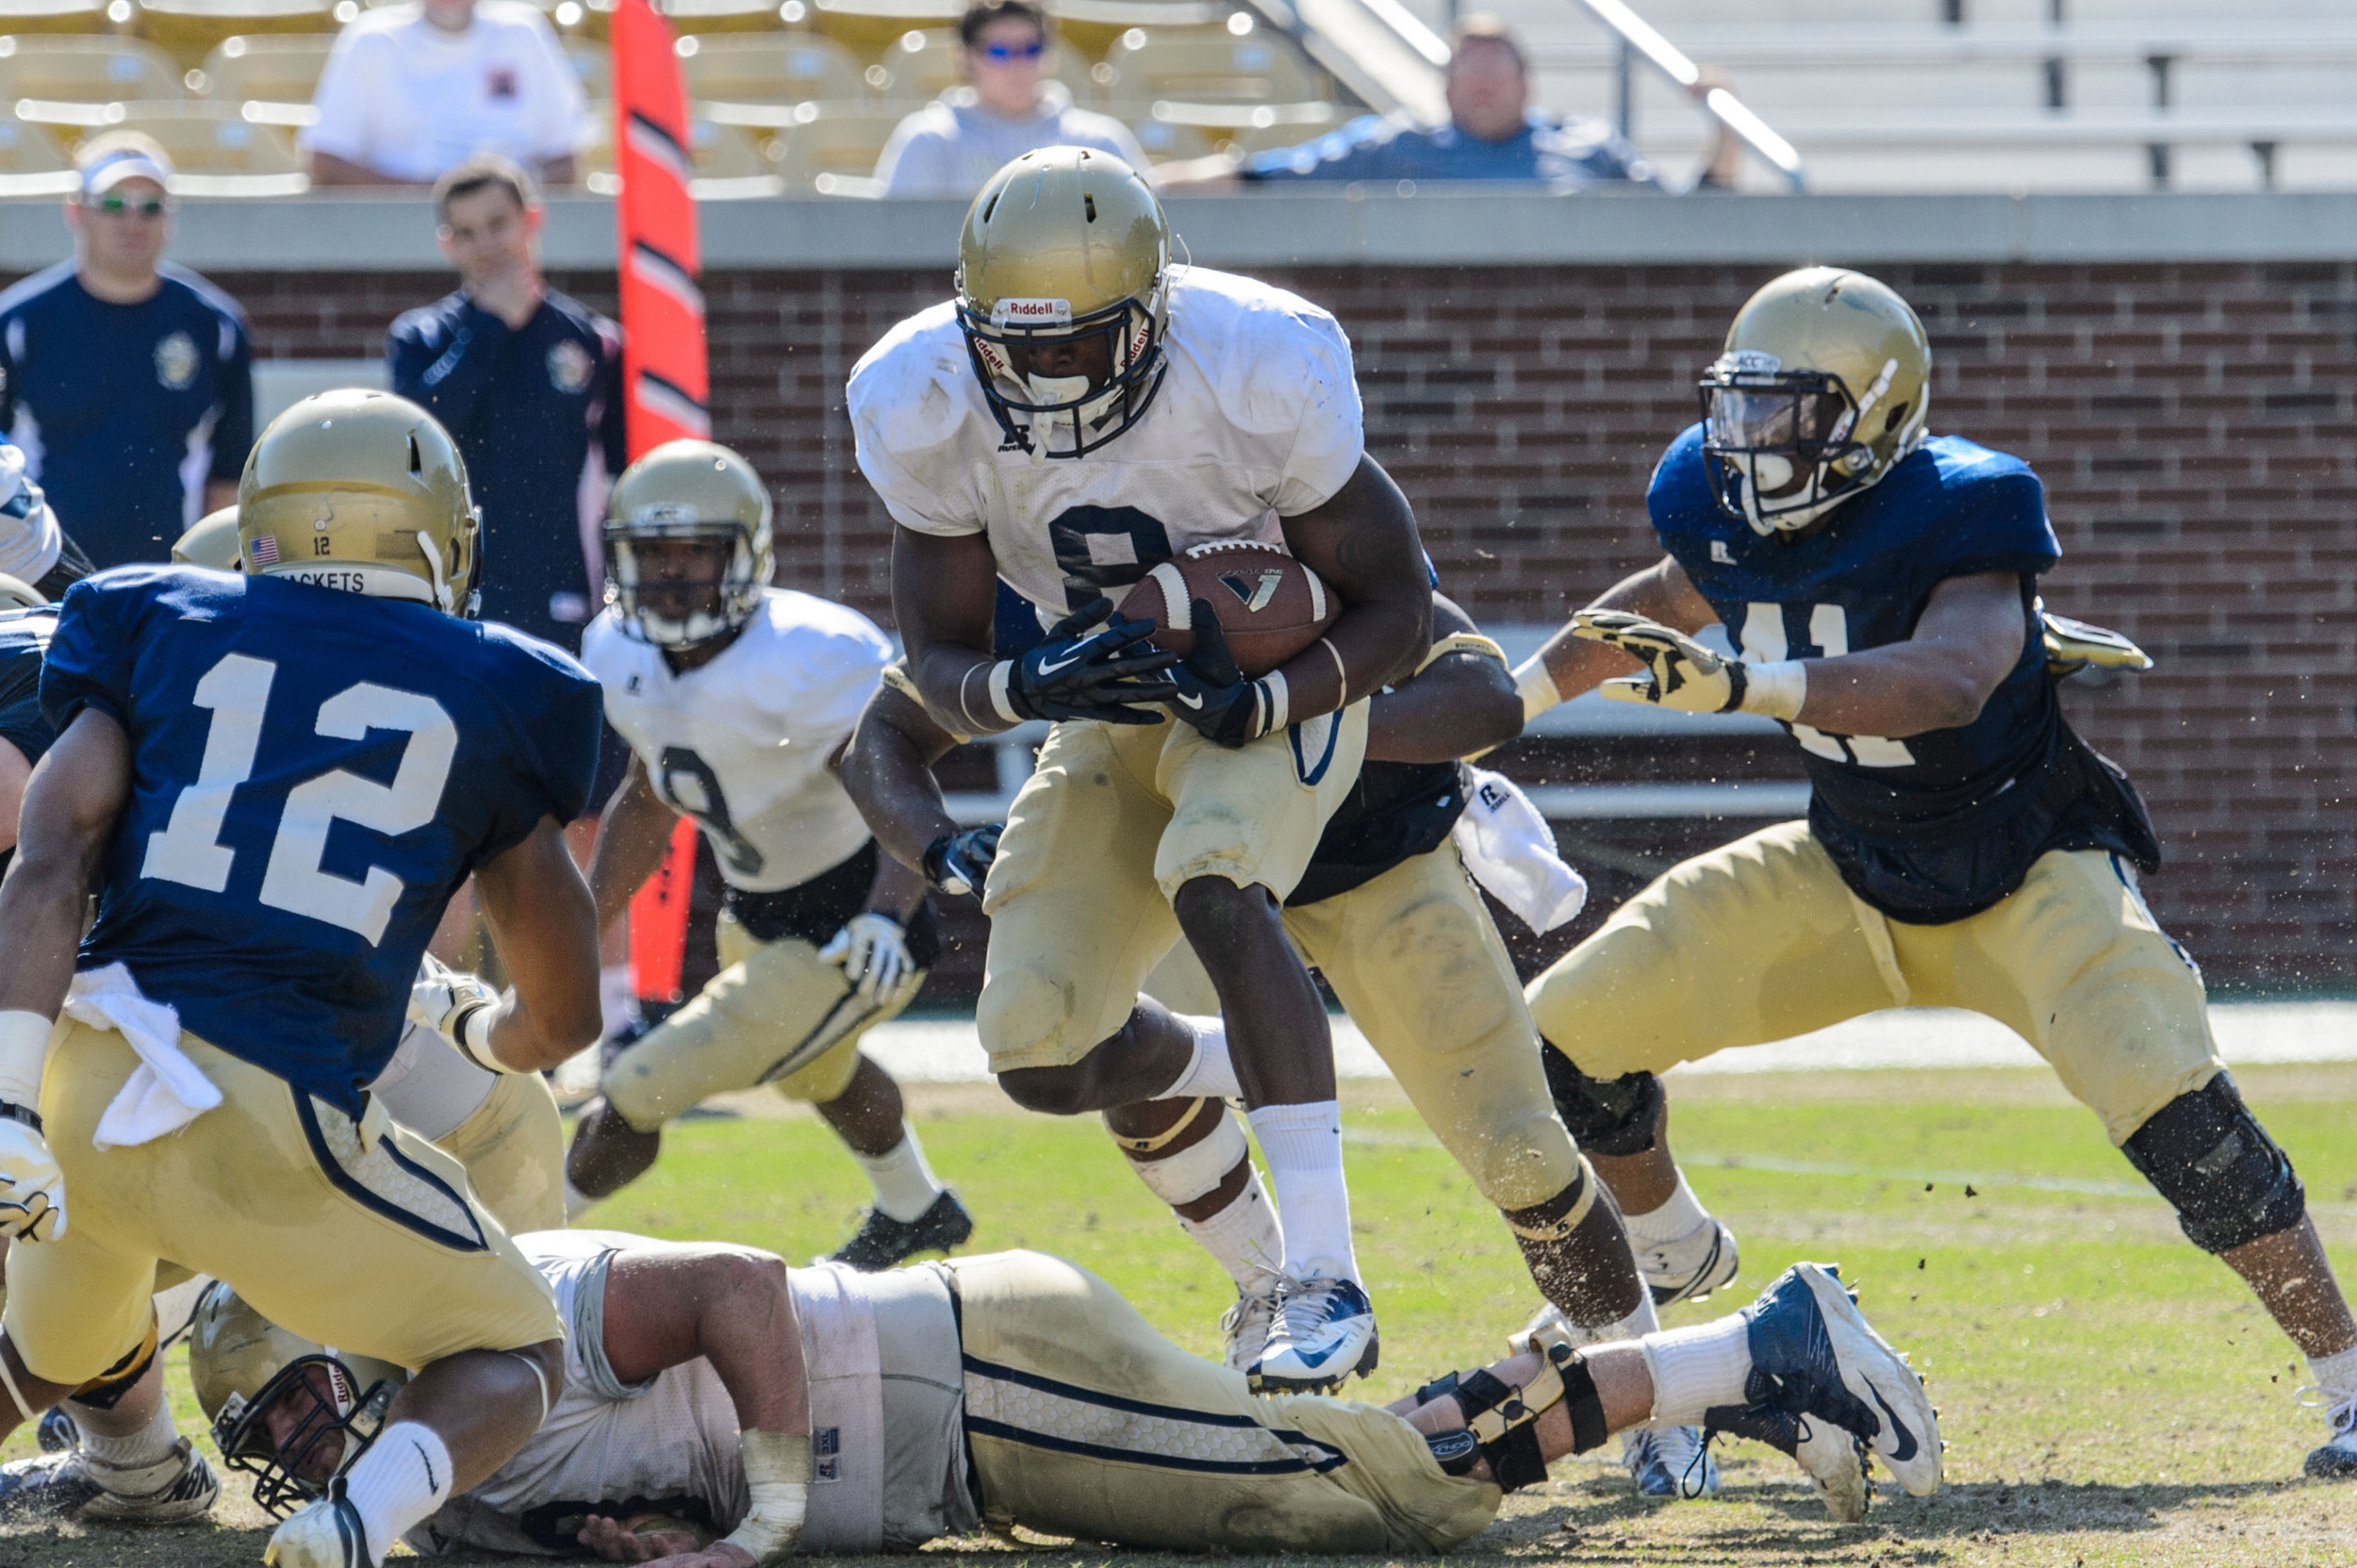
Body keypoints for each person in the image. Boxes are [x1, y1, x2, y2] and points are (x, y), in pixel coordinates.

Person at [1507, 265, 2357, 1484]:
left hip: (2028, 870)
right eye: (1742, 408)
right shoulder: (1718, 499)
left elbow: (1953, 673)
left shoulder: (1966, 509)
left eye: (1792, 414)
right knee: (1569, 1038)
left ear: (1884, 418)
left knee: (2188, 1120)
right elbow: (1670, 595)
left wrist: (1753, 685)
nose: (1753, 443)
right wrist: (1521, 695)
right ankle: (1674, 1250)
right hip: (1849, 869)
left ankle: (2348, 1381)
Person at [838, 593, 1782, 1502]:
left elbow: (1482, 699)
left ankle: (1651, 1378)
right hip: (1182, 869)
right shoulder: (1078, 565)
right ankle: (1268, 1285)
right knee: (1087, 1037)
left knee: (1520, 1150)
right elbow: (883, 731)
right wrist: (935, 845)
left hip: (1375, 854)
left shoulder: (1309, 549)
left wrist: (1302, 714)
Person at [854, 147, 1437, 1393]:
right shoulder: (919, 396)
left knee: (1213, 873)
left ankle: (1331, 1277)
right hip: (1109, 704)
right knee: (1034, 1040)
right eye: (1020, 348)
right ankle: (1257, 1204)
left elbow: (1397, 605)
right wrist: (1028, 685)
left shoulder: (1259, 361)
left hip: (1284, 677)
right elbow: (939, 655)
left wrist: (1269, 691)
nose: (1048, 375)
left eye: (1080, 343)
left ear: (1156, 312)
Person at [0, 388, 607, 1567]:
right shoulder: (500, 680)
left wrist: (13, 1104)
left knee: (42, 1356)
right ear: (436, 533)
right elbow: (567, 1007)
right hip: (272, 1099)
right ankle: (355, 1525)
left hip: (80, 1084)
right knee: (521, 1351)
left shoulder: (143, 615)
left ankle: (151, 1433)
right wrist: (497, 1042)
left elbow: (50, 858)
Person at [189, 1230, 1940, 1561]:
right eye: (259, 1441)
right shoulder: (432, 1483)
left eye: (289, 1407)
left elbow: (726, 1281)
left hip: (973, 1377)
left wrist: (777, 1503)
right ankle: (1718, 1372)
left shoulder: (499, 1326)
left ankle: (1754, 1345)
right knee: (1345, 1468)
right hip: (972, 1429)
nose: (293, 1447)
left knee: (1370, 1507)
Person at [565, 440, 976, 1269]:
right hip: (754, 909)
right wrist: (580, 922)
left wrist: (886, 917)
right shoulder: (615, 650)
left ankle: (514, 1235)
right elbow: (650, 794)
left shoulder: (811, 658)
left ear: (745, 555)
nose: (671, 576)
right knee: (817, 1075)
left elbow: (893, 781)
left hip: (854, 918)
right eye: (653, 556)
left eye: (694, 555)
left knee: (640, 1084)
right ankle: (916, 1209)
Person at [389, 155, 627, 652]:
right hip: (451, 600)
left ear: (532, 220)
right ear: (446, 244)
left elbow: (623, 473)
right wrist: (490, 327)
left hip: (565, 603)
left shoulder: (593, 341)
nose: (486, 245)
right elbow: (418, 437)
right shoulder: (420, 337)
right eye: (466, 232)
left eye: (498, 224)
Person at [0, 134, 254, 568]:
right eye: (114, 204)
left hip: (170, 585)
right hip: (46, 587)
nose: (134, 221)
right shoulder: (20, 323)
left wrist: (211, 578)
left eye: (151, 206)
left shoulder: (215, 326)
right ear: (76, 211)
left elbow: (229, 475)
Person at [1154, 15, 1739, 193]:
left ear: (1527, 84)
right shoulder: (1397, 146)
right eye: (1470, 72)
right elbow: (1264, 176)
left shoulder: (1589, 146)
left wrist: (1724, 122)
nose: (1483, 85)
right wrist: (1151, 182)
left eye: (1497, 71)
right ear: (1445, 87)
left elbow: (1697, 210)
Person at [874, 0, 1148, 200]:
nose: (1017, 64)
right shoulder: (927, 140)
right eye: (999, 51)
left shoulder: (1099, 140)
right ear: (966, 57)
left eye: (1030, 49)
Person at [303, 0, 589, 188]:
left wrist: (496, 208)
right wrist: (430, 199)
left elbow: (565, 161)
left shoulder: (524, 33)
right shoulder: (371, 40)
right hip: (397, 245)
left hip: (510, 251)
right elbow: (325, 161)